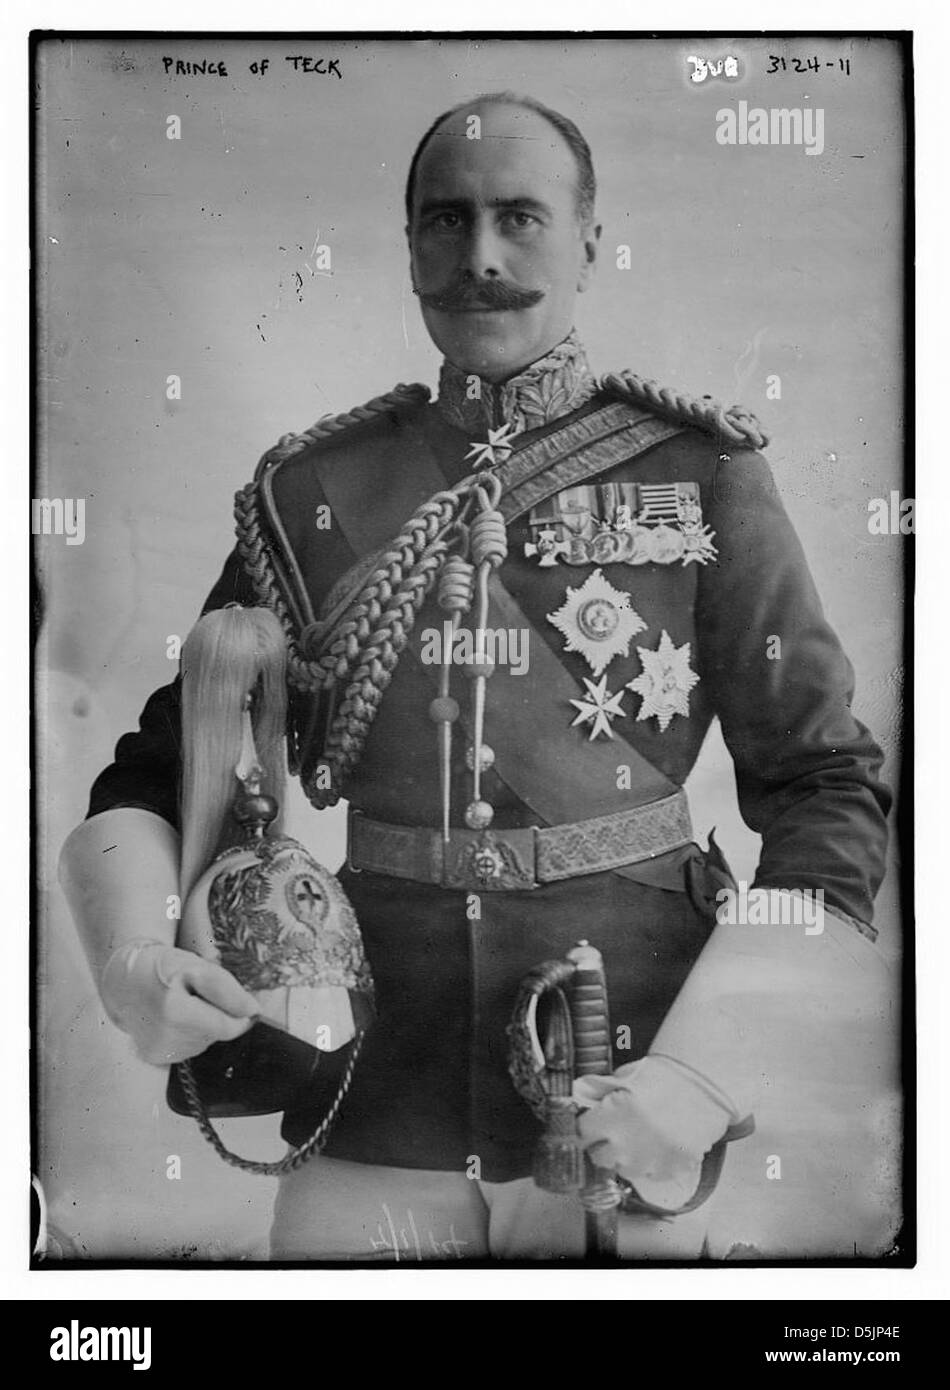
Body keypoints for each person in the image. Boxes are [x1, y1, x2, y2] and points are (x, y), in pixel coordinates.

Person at [59, 92, 892, 1261]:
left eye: (520, 217)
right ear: (408, 247)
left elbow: (824, 787)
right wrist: (133, 959)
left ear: (589, 240)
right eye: (445, 222)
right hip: (374, 1075)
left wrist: (708, 1069)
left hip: (629, 1064)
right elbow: (155, 769)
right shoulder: (314, 495)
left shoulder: (700, 475)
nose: (481, 257)